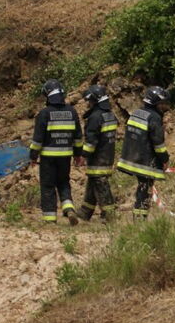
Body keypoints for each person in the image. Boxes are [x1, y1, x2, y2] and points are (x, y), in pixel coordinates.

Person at [29, 80, 83, 225]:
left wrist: (33, 156)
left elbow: (38, 140)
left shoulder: (44, 114)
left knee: (48, 186)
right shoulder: (72, 112)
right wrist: (78, 155)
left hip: (48, 158)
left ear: (48, 95)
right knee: (64, 182)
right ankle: (69, 208)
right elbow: (78, 137)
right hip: (65, 157)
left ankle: (50, 219)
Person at [117, 86, 171, 221]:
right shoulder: (154, 117)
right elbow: (158, 143)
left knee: (142, 188)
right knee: (145, 190)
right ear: (155, 103)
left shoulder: (136, 113)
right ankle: (139, 219)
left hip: (132, 157)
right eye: (162, 103)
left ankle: (139, 217)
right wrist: (165, 159)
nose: (164, 106)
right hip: (145, 161)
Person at [76, 85, 118, 223]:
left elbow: (91, 141)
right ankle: (85, 211)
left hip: (98, 157)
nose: (88, 104)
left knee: (100, 183)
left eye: (90, 101)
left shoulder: (95, 117)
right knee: (93, 181)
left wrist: (83, 156)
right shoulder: (110, 114)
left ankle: (110, 214)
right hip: (107, 154)